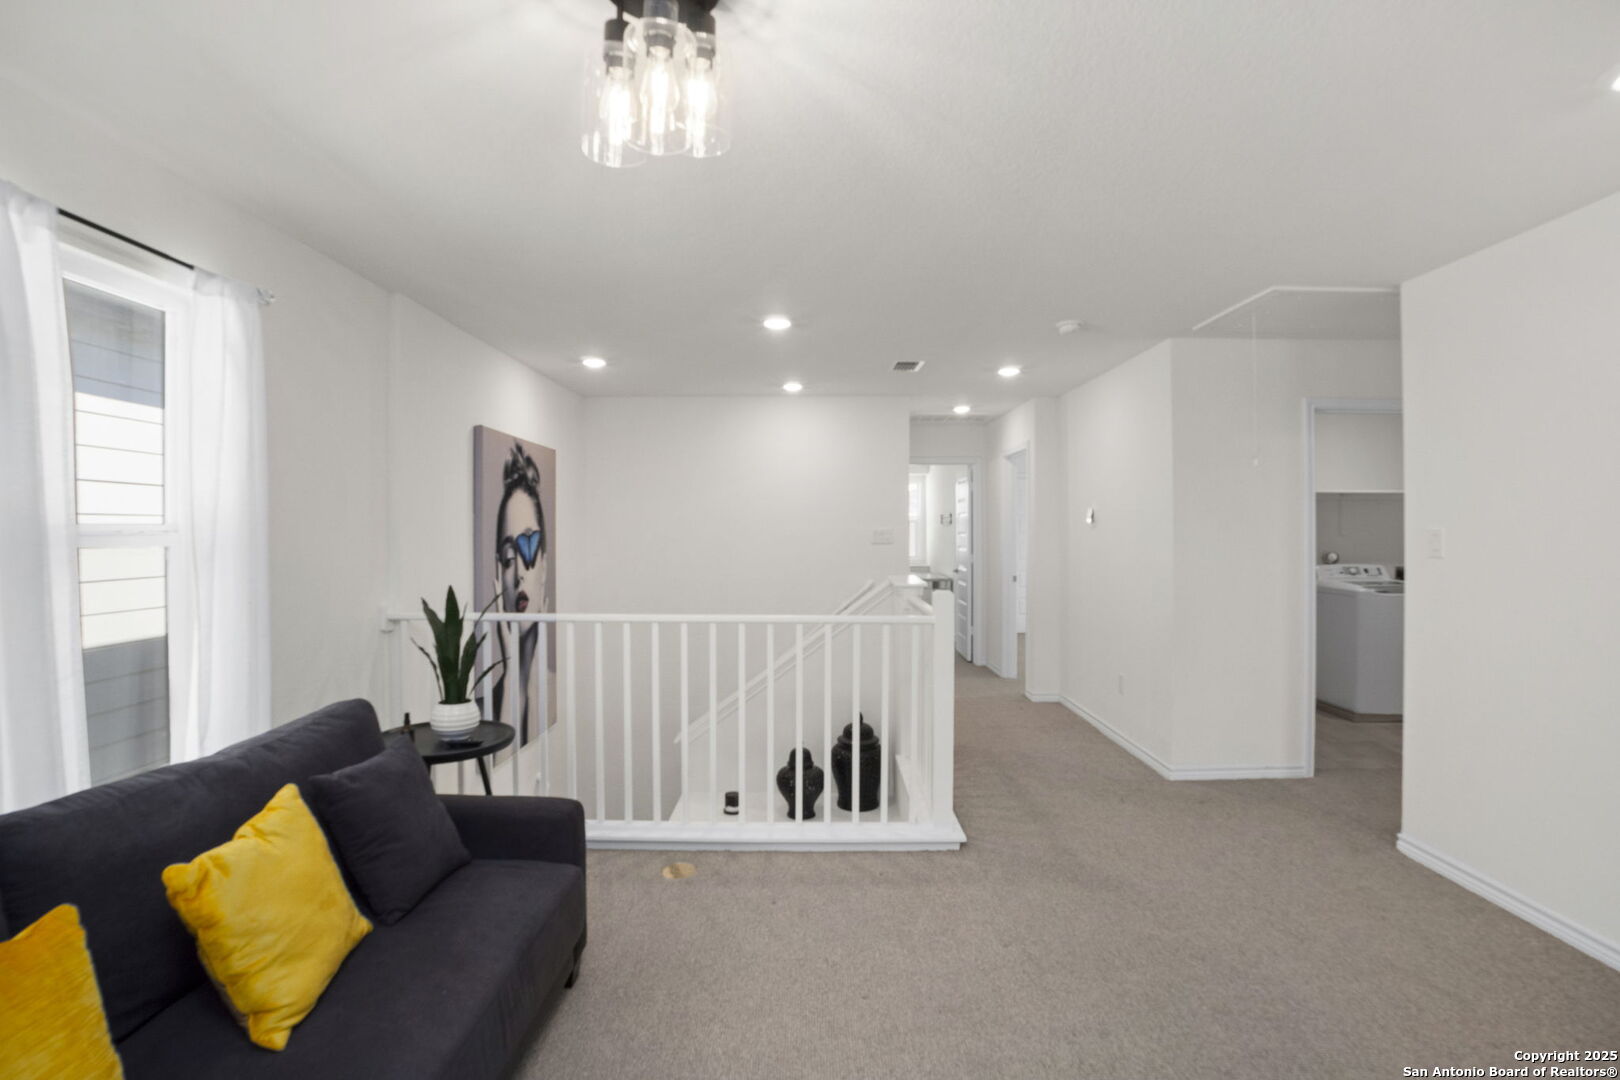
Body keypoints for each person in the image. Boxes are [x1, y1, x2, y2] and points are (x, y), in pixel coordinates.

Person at [490, 443, 549, 743]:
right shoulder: (483, 711)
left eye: (528, 548)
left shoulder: (560, 692)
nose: (519, 575)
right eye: (509, 559)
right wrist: (512, 674)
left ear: (545, 569)